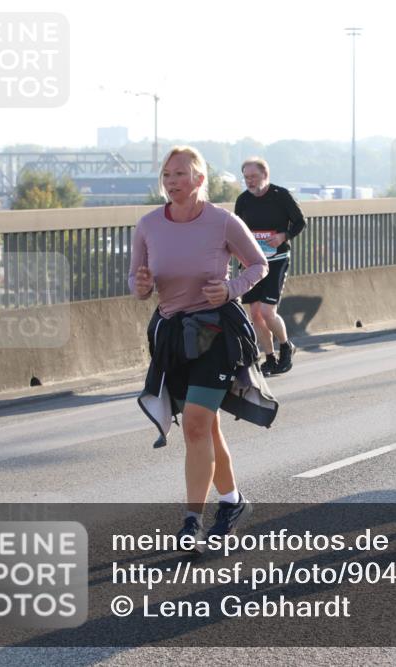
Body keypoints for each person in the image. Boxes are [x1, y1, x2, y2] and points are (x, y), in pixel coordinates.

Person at [130, 146, 269, 548]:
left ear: (199, 179)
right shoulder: (148, 225)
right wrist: (141, 286)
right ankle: (233, 502)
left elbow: (258, 265)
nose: (171, 181)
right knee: (204, 427)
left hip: (216, 333)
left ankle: (192, 521)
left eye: (180, 174)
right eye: (166, 175)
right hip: (174, 337)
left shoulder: (222, 222)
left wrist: (231, 289)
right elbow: (137, 282)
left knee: (194, 423)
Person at [235, 157, 307, 375]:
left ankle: (285, 346)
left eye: (253, 176)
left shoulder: (280, 195)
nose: (249, 181)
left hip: (277, 259)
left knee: (267, 311)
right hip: (252, 262)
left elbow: (300, 222)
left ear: (265, 175)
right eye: (246, 177)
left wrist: (283, 236)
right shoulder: (243, 200)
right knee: (255, 313)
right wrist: (240, 258)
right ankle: (269, 358)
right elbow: (238, 232)